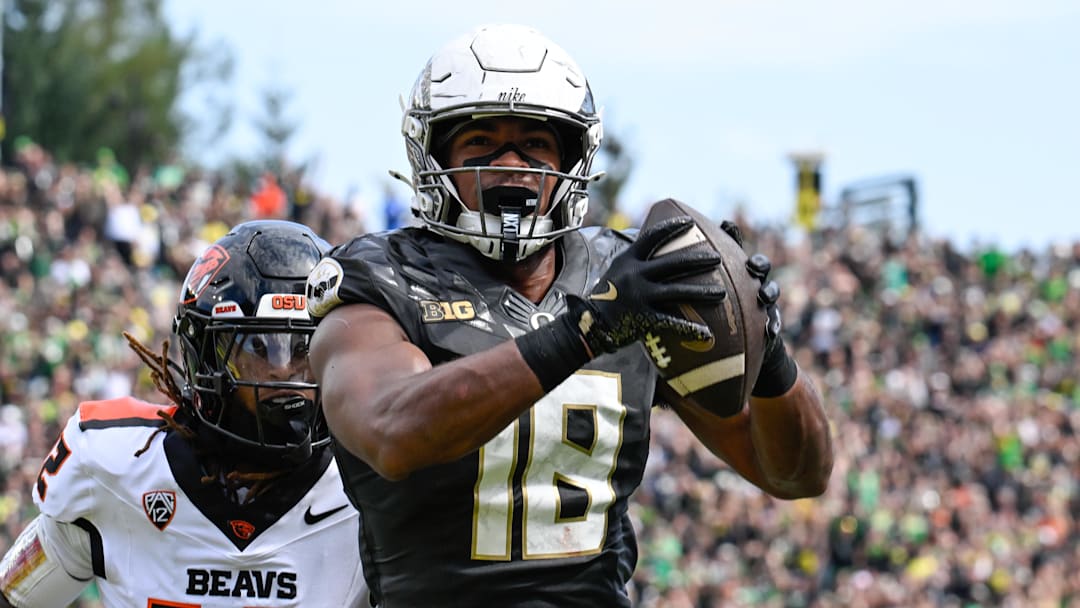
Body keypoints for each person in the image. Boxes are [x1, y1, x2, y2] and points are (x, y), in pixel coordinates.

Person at [306, 24, 832, 607]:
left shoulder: (628, 275)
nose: (510, 164)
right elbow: (391, 434)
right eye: (480, 141)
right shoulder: (380, 279)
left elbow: (794, 474)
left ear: (573, 157)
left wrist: (768, 351)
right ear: (434, 157)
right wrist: (585, 331)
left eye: (535, 144)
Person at [0, 220, 368, 607]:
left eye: (303, 351)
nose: (286, 374)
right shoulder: (115, 468)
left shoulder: (366, 490)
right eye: (261, 349)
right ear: (205, 359)